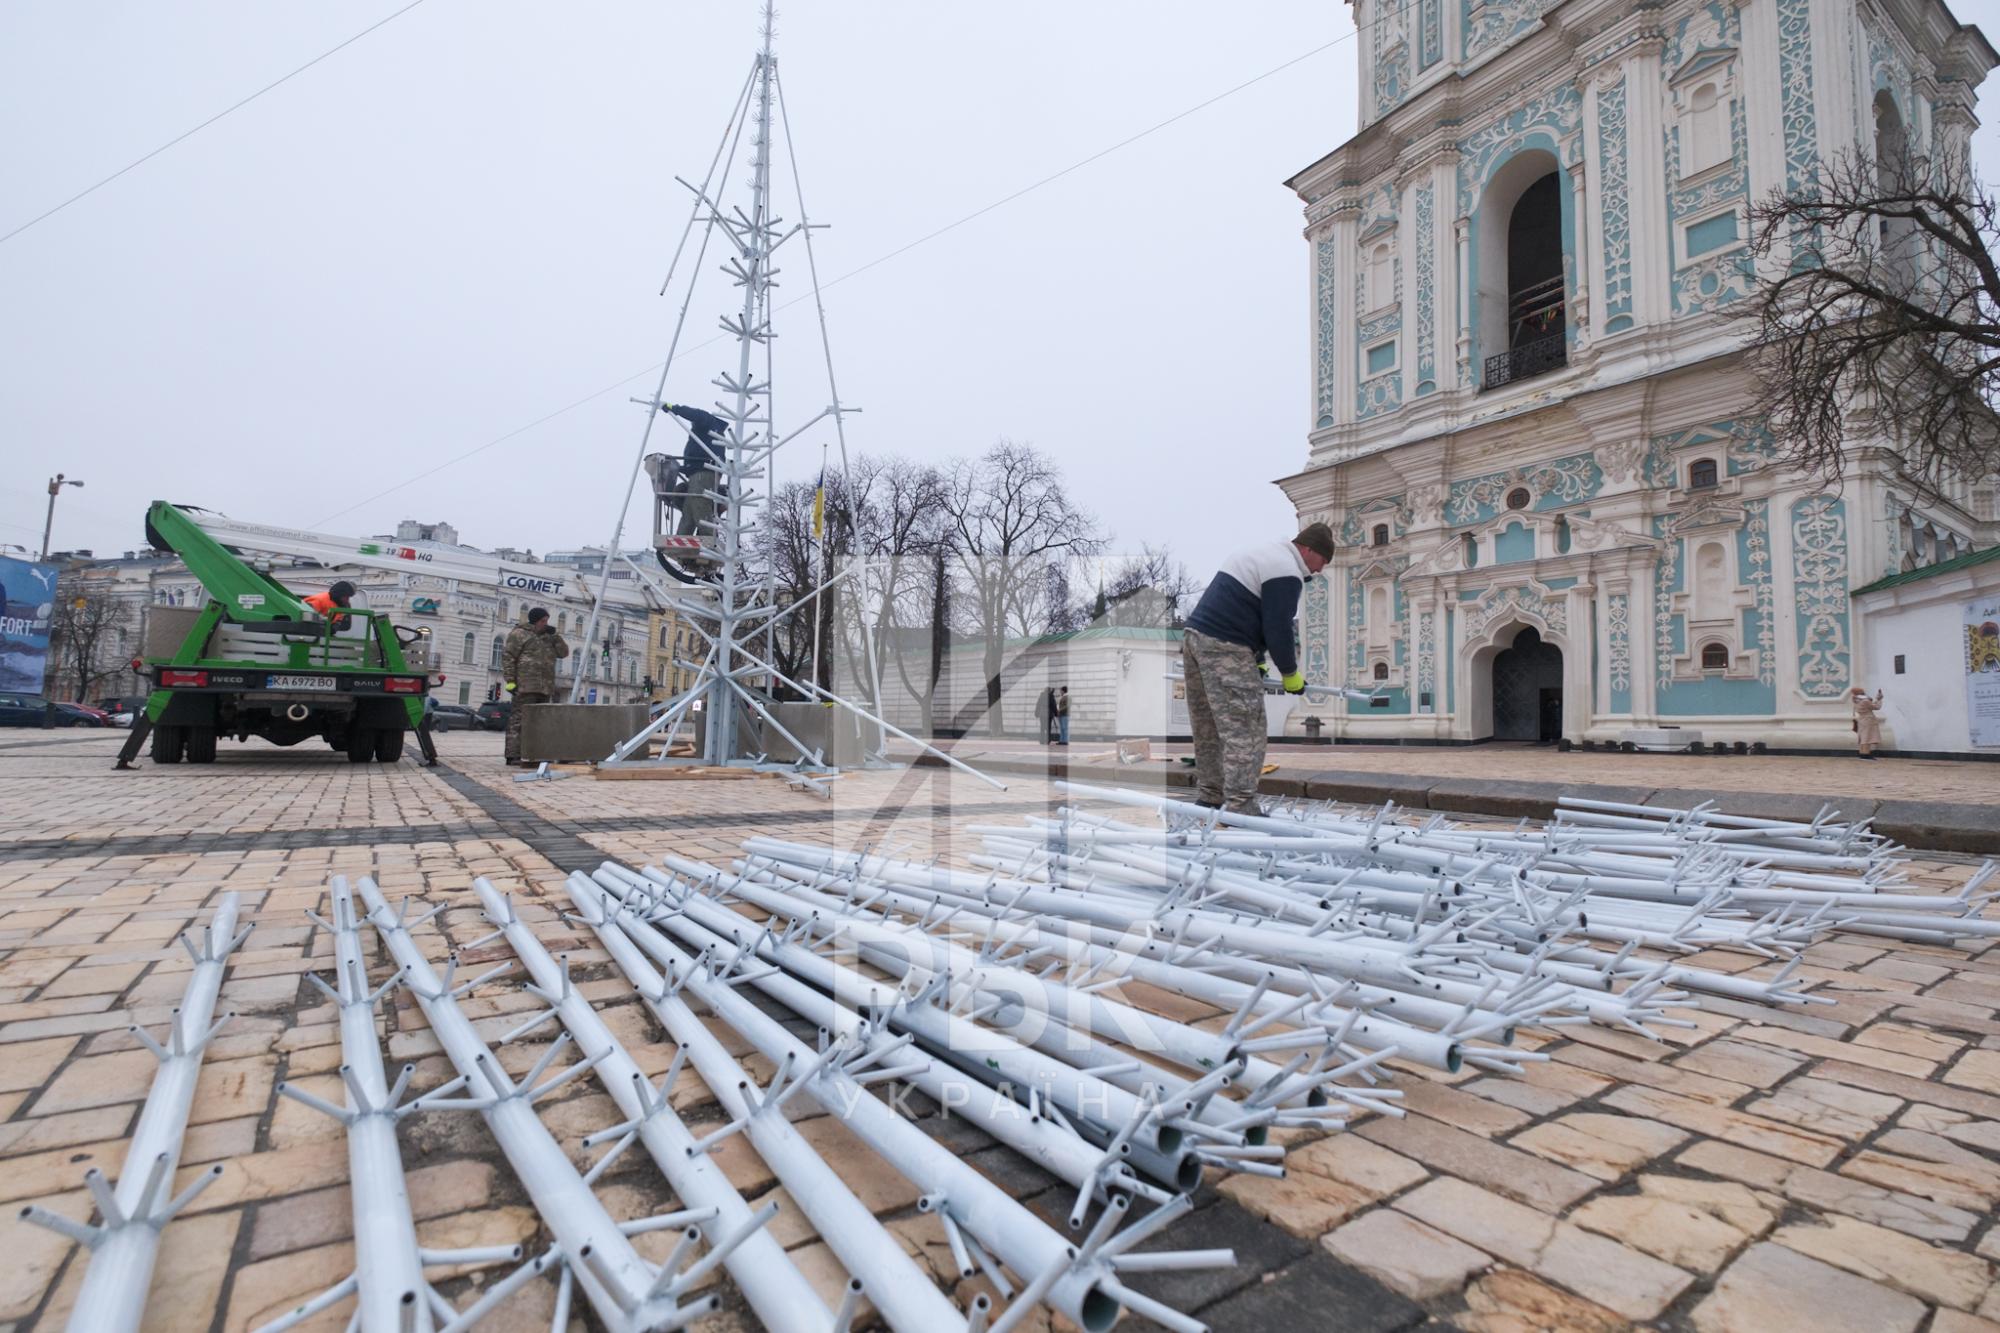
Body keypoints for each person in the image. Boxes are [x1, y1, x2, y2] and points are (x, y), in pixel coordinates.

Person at [1181, 522, 1336, 813]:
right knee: (1245, 729)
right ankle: (1241, 807)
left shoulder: (1263, 553)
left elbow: (1246, 612)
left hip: (1195, 639)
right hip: (1225, 646)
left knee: (1208, 727)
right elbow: (1278, 627)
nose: (1320, 569)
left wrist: (1257, 658)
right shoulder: (1287, 570)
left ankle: (1210, 797)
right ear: (1308, 549)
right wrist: (1289, 673)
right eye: (1323, 560)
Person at [501, 607, 570, 766]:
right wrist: (510, 681)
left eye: (546, 621)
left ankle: (536, 753)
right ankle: (513, 755)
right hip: (525, 685)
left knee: (541, 722)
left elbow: (563, 653)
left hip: (545, 687)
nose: (545, 624)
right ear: (535, 621)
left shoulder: (549, 637)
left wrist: (556, 636)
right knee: (519, 720)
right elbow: (508, 657)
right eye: (543, 621)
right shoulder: (519, 634)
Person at [660, 402, 730, 541]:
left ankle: (709, 538)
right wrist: (682, 468)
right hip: (699, 472)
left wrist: (674, 408)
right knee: (689, 508)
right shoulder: (710, 433)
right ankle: (680, 540)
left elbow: (695, 414)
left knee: (699, 502)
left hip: (704, 472)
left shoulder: (707, 421)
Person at [1850, 685, 1885, 760]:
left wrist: (1876, 699)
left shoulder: (1856, 700)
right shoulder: (1865, 701)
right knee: (1867, 737)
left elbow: (1870, 705)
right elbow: (1876, 707)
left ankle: (1862, 754)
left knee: (1863, 737)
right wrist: (1879, 699)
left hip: (1861, 719)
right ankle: (1866, 754)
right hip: (1868, 719)